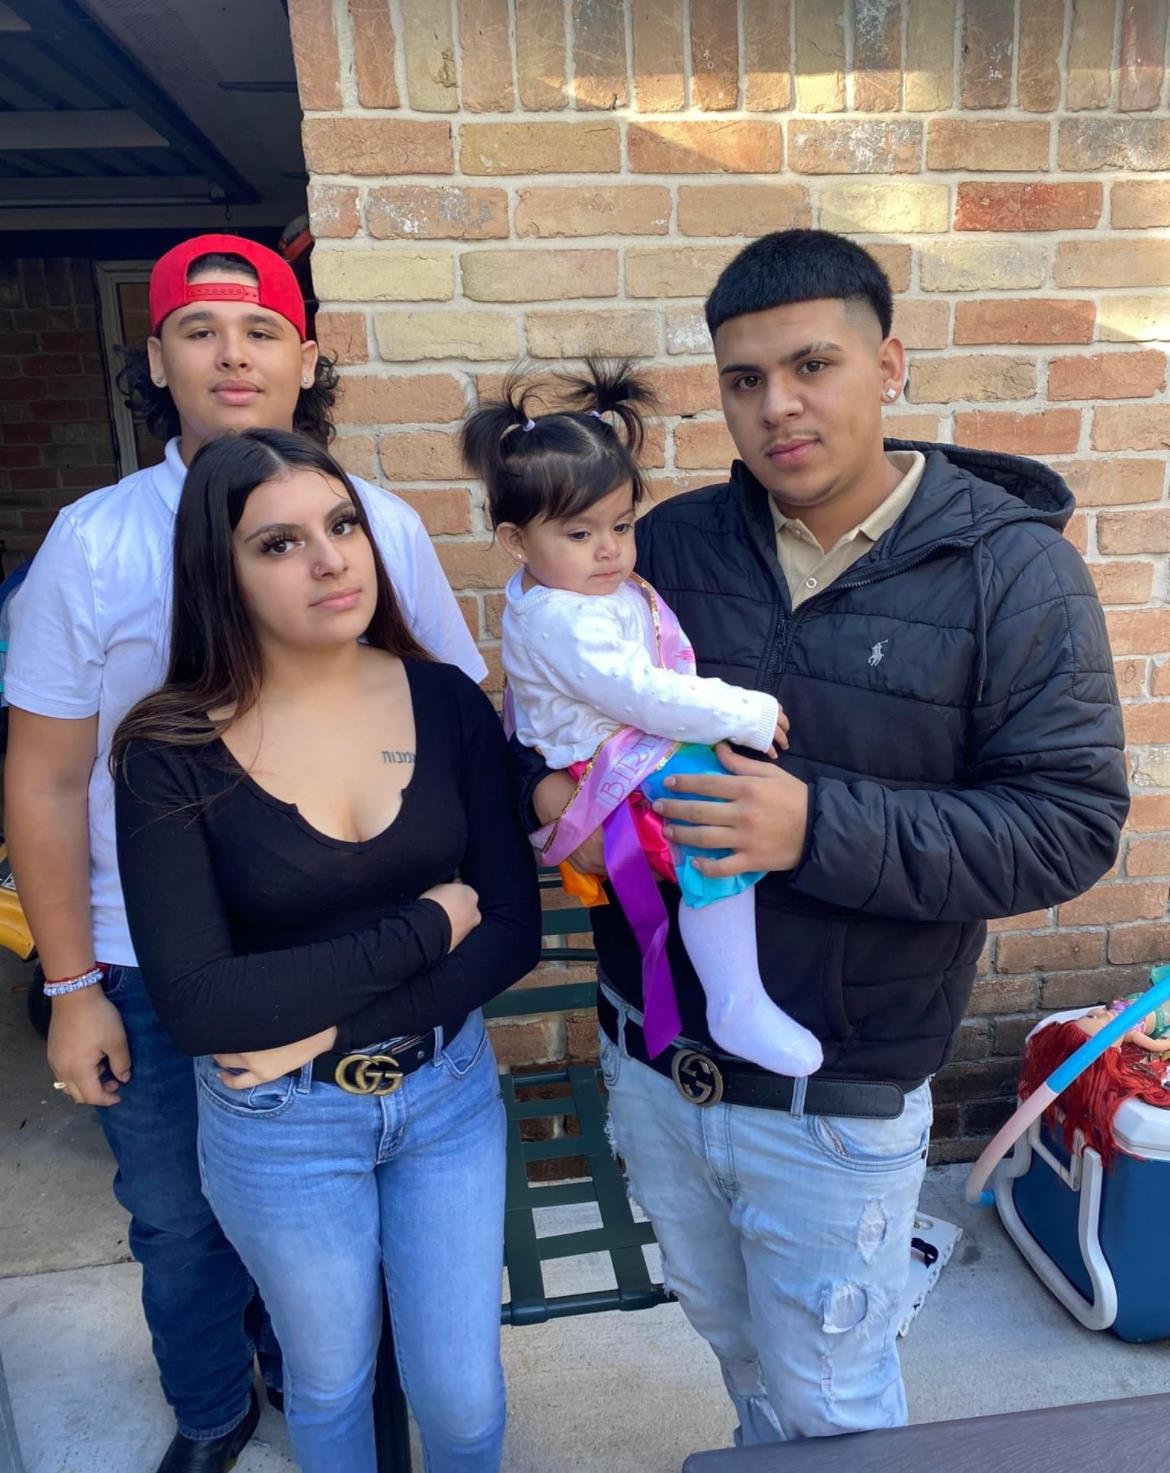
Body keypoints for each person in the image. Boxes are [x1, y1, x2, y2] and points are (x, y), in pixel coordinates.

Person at [515, 229, 1129, 1443]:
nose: (776, 406)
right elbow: (557, 702)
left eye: (813, 365)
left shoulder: (1012, 576)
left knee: (834, 1405)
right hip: (655, 1064)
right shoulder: (664, 551)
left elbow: (1067, 828)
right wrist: (539, 789)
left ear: (889, 364)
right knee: (742, 1356)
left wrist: (815, 825)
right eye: (743, 380)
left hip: (833, 1094)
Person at [3, 234, 485, 1473]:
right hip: (150, 956)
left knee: (340, 1267)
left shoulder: (372, 527)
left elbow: (452, 720)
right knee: (176, 1223)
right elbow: (48, 777)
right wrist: (68, 990)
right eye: (201, 330)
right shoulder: (93, 541)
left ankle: (315, 1380)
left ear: (306, 357)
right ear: (156, 357)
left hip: (351, 935)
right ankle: (214, 1411)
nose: (233, 354)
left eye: (262, 328)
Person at [113, 428, 539, 1472]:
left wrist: (328, 1030)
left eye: (342, 525)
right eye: (279, 544)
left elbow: (515, 928)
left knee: (465, 1398)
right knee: (333, 1387)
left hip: (444, 1097)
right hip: (280, 1132)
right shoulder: (167, 753)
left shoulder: (442, 701)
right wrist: (430, 926)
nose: (331, 560)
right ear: (220, 572)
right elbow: (205, 1008)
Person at [464, 360, 820, 1077]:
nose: (609, 549)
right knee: (717, 823)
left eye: (622, 525)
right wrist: (744, 710)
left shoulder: (568, 589)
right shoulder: (567, 619)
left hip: (622, 741)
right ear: (514, 539)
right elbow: (642, 691)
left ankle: (733, 993)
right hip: (614, 757)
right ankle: (735, 997)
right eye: (579, 532)